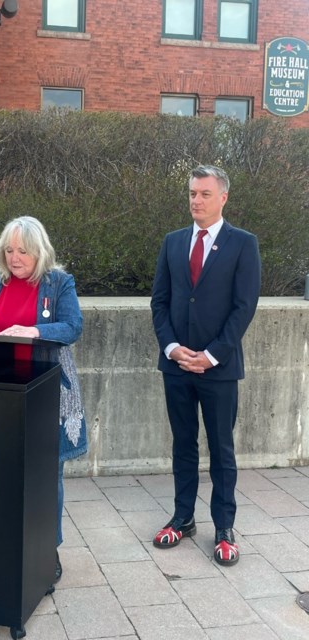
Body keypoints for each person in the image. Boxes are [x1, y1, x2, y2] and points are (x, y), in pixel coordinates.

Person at [0, 215, 87, 584]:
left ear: (39, 252)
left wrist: (35, 330)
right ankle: (0, 541)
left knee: (44, 475)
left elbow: (73, 326)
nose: (14, 257)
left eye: (22, 251)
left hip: (44, 392)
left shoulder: (58, 283)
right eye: (9, 250)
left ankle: (46, 549)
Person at [150, 165, 261, 567]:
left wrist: (212, 355)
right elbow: (159, 301)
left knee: (221, 449)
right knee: (183, 445)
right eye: (192, 193)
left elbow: (243, 307)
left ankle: (224, 527)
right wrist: (173, 348)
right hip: (177, 367)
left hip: (219, 369)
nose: (196, 200)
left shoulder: (242, 244)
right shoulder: (173, 242)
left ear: (223, 198)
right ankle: (183, 519)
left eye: (204, 194)